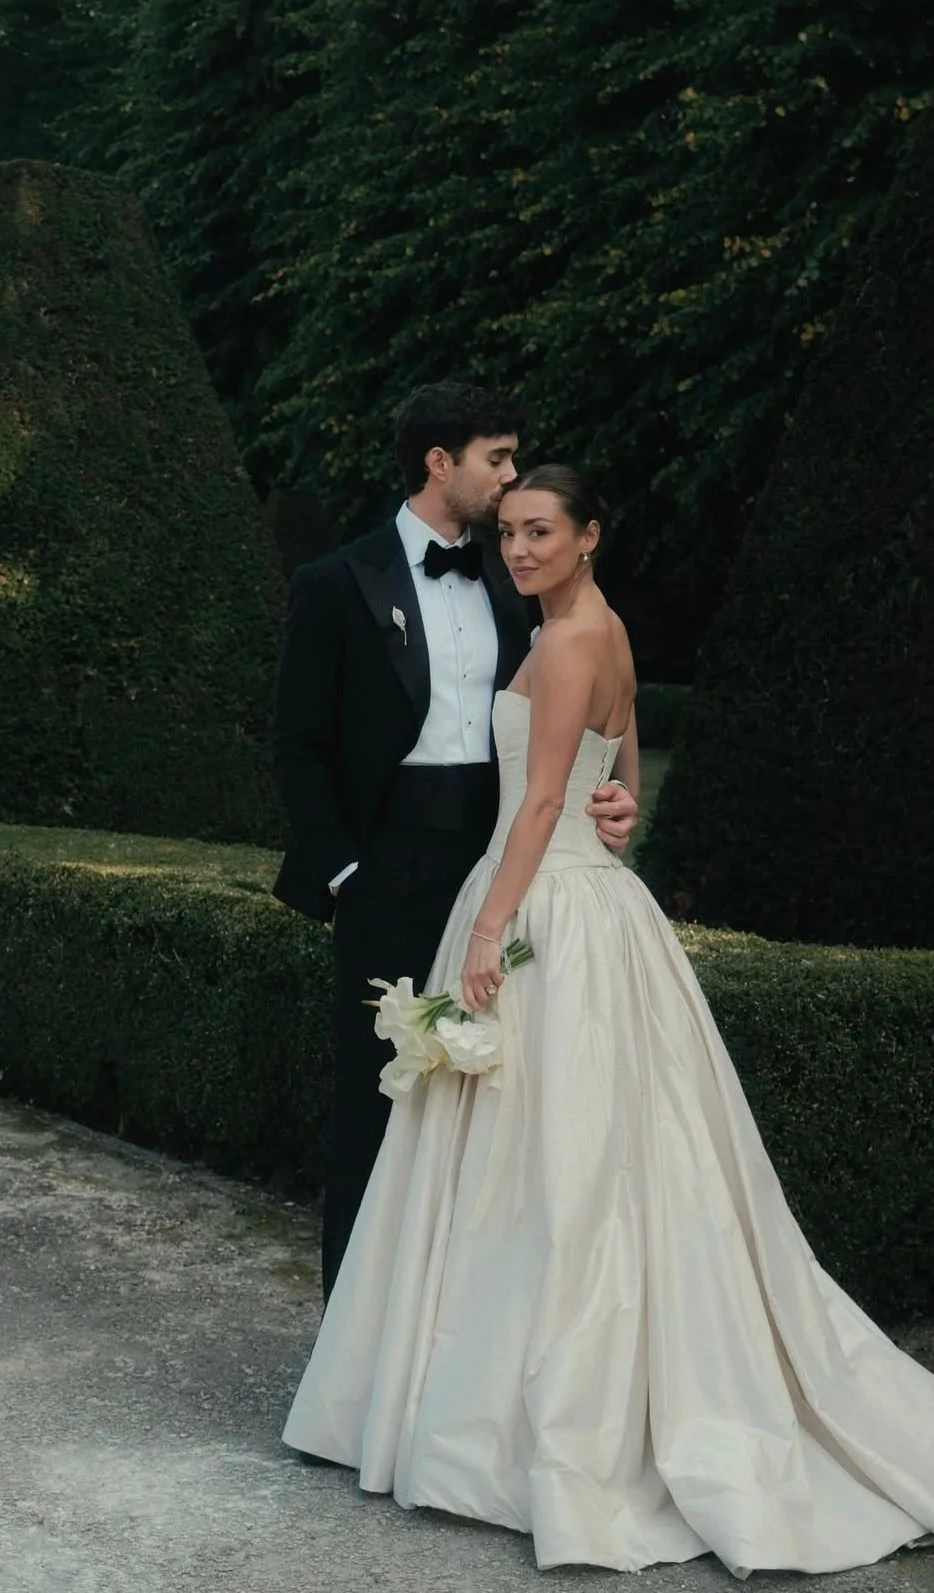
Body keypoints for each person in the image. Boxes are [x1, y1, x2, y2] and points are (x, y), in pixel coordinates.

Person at [282, 464, 934, 1577]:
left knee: (560, 1173)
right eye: (509, 534)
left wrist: (489, 929)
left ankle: (537, 1418)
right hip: (585, 901)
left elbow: (542, 800)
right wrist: (619, 809)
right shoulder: (602, 627)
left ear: (590, 536)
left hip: (543, 910)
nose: (519, 551)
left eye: (541, 532)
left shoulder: (573, 639)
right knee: (570, 1164)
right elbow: (619, 785)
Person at [270, 389, 639, 1304]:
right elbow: (296, 743)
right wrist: (347, 871)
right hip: (386, 870)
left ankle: (457, 1337)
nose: (510, 476)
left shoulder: (521, 585)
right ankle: (353, 1355)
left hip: (501, 865)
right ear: (441, 463)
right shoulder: (336, 582)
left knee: (496, 1109)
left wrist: (614, 802)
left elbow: (577, 729)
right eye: (496, 457)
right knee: (377, 1095)